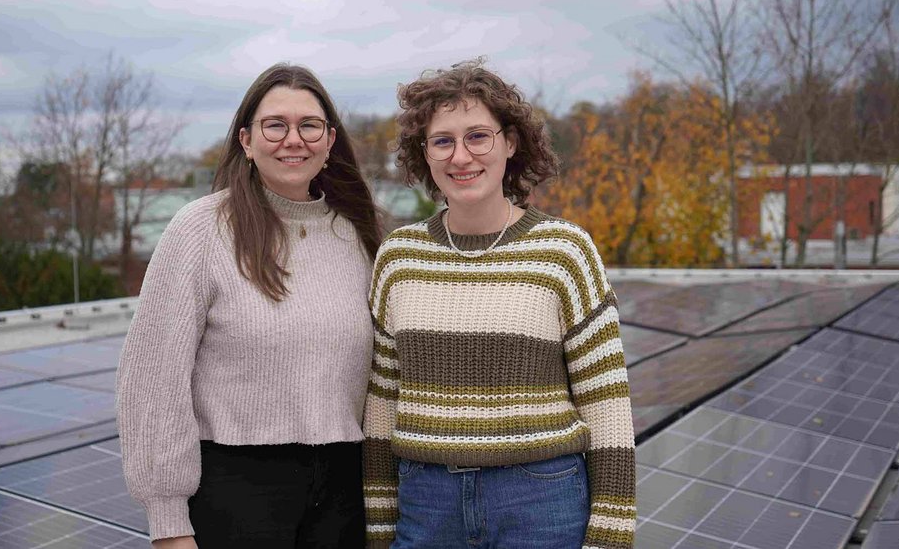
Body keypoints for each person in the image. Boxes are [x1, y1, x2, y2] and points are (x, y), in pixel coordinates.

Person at [362, 60, 636, 549]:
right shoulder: (399, 257)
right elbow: (382, 403)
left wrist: (610, 538)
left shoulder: (564, 251)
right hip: (427, 503)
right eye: (442, 141)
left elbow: (606, 403)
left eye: (477, 137)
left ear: (510, 142)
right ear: (424, 154)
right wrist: (380, 529)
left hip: (540, 501)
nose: (460, 156)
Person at [117, 63, 381, 549]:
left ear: (329, 141)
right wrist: (168, 521)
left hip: (343, 492)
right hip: (237, 492)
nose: (293, 140)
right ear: (246, 140)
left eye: (309, 125)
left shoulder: (357, 234)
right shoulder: (200, 230)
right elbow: (154, 378)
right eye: (275, 125)